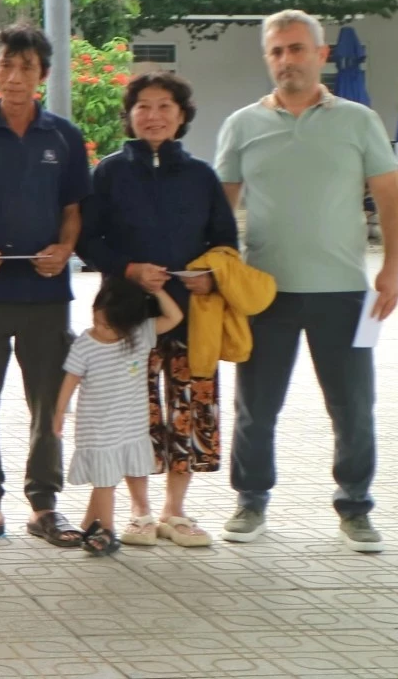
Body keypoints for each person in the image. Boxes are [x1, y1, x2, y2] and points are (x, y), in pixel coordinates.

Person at [216, 10, 398, 553]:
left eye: (297, 49)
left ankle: (356, 506)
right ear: (267, 59)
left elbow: (391, 197)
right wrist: (219, 276)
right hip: (265, 292)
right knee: (256, 408)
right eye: (276, 51)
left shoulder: (358, 121)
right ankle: (251, 500)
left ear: (321, 55)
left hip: (345, 293)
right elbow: (219, 208)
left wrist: (392, 271)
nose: (287, 60)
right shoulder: (242, 125)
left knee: (353, 408)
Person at [77, 71, 238, 548]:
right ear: (129, 115)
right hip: (124, 314)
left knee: (187, 406)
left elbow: (225, 241)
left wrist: (210, 276)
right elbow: (87, 240)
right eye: (143, 106)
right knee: (132, 411)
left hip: (191, 313)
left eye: (165, 106)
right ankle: (139, 510)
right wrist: (128, 269)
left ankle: (175, 510)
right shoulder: (109, 173)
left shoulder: (201, 175)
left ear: (182, 115)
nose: (154, 116)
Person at [0, 24, 92, 550]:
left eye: (26, 67)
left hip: (46, 296)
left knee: (48, 404)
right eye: (5, 64)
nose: (14, 76)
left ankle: (44, 505)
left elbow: (73, 210)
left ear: (43, 75)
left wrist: (65, 249)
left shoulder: (64, 137)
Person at [53, 276, 185, 556]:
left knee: (120, 474)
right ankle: (107, 530)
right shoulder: (86, 344)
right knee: (104, 481)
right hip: (97, 427)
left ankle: (90, 523)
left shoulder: (140, 335)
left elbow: (174, 317)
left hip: (131, 425)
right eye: (97, 321)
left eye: (109, 326)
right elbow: (71, 379)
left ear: (129, 324)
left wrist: (157, 290)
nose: (100, 329)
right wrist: (60, 411)